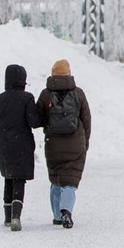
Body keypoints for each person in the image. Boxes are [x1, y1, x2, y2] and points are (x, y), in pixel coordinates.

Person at [0, 64, 41, 232]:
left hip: (4, 145)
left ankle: (7, 217)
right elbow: (34, 122)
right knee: (19, 179)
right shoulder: (27, 98)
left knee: (8, 177)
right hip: (23, 144)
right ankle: (16, 217)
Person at [35, 59, 91, 229]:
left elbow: (37, 120)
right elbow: (86, 120)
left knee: (56, 179)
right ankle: (66, 210)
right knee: (70, 181)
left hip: (53, 144)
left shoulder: (46, 94)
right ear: (69, 74)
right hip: (75, 144)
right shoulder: (78, 93)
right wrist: (85, 141)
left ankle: (57, 216)